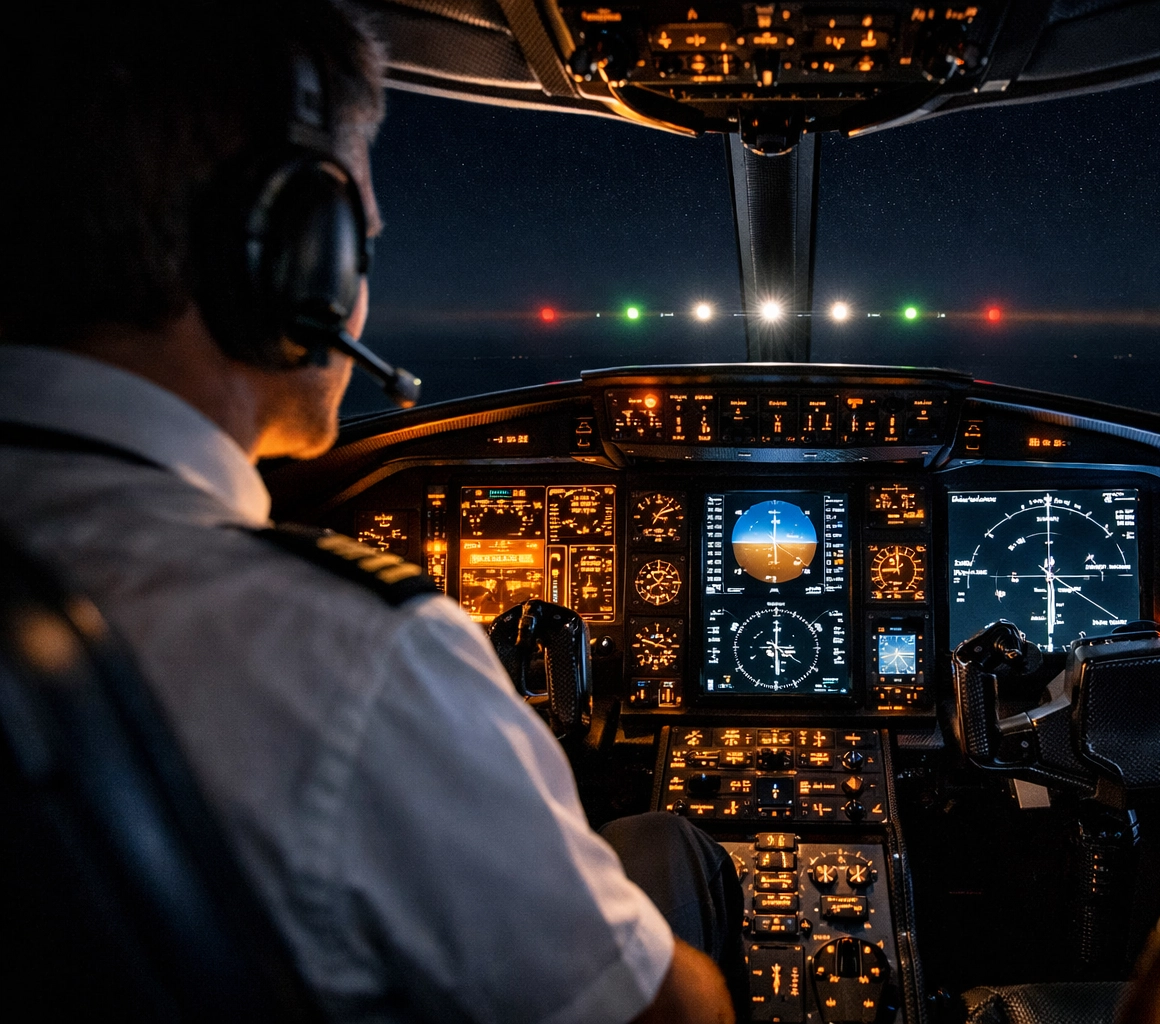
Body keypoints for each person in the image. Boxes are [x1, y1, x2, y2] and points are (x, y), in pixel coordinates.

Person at [0, 3, 741, 1022]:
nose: (357, 298)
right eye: (361, 247)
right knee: (668, 848)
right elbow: (671, 1016)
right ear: (288, 257)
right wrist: (512, 762)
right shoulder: (355, 653)